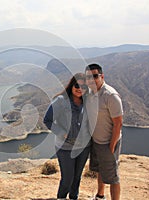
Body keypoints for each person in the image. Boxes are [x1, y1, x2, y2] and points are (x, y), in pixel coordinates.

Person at [43, 73, 91, 200]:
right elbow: (47, 120)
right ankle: (62, 197)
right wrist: (62, 133)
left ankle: (74, 197)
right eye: (77, 85)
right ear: (71, 85)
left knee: (77, 177)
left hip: (83, 147)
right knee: (68, 178)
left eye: (84, 86)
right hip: (65, 147)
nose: (80, 89)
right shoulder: (60, 101)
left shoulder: (88, 101)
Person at [84, 64, 123, 200]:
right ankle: (100, 196)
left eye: (95, 76)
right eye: (88, 77)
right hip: (96, 141)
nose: (92, 80)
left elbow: (118, 123)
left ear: (102, 76)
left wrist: (112, 146)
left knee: (112, 177)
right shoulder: (90, 94)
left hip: (108, 142)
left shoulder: (110, 95)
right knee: (100, 169)